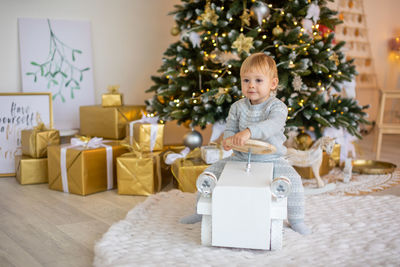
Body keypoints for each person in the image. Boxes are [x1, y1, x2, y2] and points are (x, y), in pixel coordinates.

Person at [181, 52, 311, 235]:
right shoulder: (237, 107)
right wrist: (228, 141)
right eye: (246, 80)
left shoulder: (277, 107)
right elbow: (230, 130)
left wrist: (249, 132)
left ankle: (296, 220)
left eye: (258, 80)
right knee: (209, 173)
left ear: (272, 84)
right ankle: (201, 211)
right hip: (240, 158)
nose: (251, 85)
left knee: (294, 180)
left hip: (271, 160)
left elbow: (272, 126)